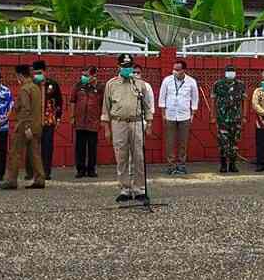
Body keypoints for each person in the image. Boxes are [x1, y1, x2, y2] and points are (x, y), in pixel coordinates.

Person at [102, 54, 154, 203]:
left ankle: (140, 189)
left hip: (136, 122)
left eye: (129, 66)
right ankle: (125, 189)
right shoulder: (111, 84)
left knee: (138, 156)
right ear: (118, 67)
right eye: (124, 66)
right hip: (118, 123)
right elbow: (106, 108)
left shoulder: (139, 84)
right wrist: (106, 128)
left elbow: (147, 106)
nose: (127, 69)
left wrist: (149, 123)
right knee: (121, 157)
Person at [1, 64, 46, 190]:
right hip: (36, 125)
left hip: (25, 126)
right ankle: (40, 179)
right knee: (35, 153)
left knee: (15, 153)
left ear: (20, 75)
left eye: (17, 76)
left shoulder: (24, 89)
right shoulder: (36, 88)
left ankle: (11, 180)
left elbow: (26, 109)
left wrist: (26, 127)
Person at [158, 58, 199, 175]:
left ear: (184, 70)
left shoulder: (191, 81)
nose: (175, 71)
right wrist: (163, 113)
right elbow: (162, 97)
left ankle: (181, 165)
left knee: (183, 142)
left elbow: (195, 98)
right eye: (174, 69)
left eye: (178, 69)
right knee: (170, 141)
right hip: (170, 115)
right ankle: (171, 165)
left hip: (185, 115)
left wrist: (193, 113)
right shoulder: (167, 80)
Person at [27, 60, 62, 181]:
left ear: (45, 72)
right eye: (35, 73)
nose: (37, 75)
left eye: (39, 72)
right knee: (32, 147)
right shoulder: (30, 85)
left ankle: (46, 172)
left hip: (48, 120)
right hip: (34, 121)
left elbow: (59, 102)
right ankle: (31, 172)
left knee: (47, 147)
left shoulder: (53, 85)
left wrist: (58, 118)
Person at [210, 64, 247, 173]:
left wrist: (244, 116)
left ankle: (232, 164)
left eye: (232, 71)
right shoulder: (217, 84)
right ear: (224, 72)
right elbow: (213, 100)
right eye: (228, 71)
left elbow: (244, 101)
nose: (230, 73)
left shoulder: (240, 85)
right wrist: (212, 116)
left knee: (234, 142)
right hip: (222, 118)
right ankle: (223, 164)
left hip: (236, 118)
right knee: (223, 142)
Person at [69, 66, 103, 178]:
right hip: (80, 121)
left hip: (93, 121)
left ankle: (91, 169)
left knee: (92, 147)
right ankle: (80, 169)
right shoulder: (78, 86)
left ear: (94, 76)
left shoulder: (100, 87)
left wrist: (102, 119)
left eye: (86, 75)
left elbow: (104, 104)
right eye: (83, 75)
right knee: (80, 147)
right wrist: (72, 117)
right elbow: (72, 101)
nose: (83, 77)